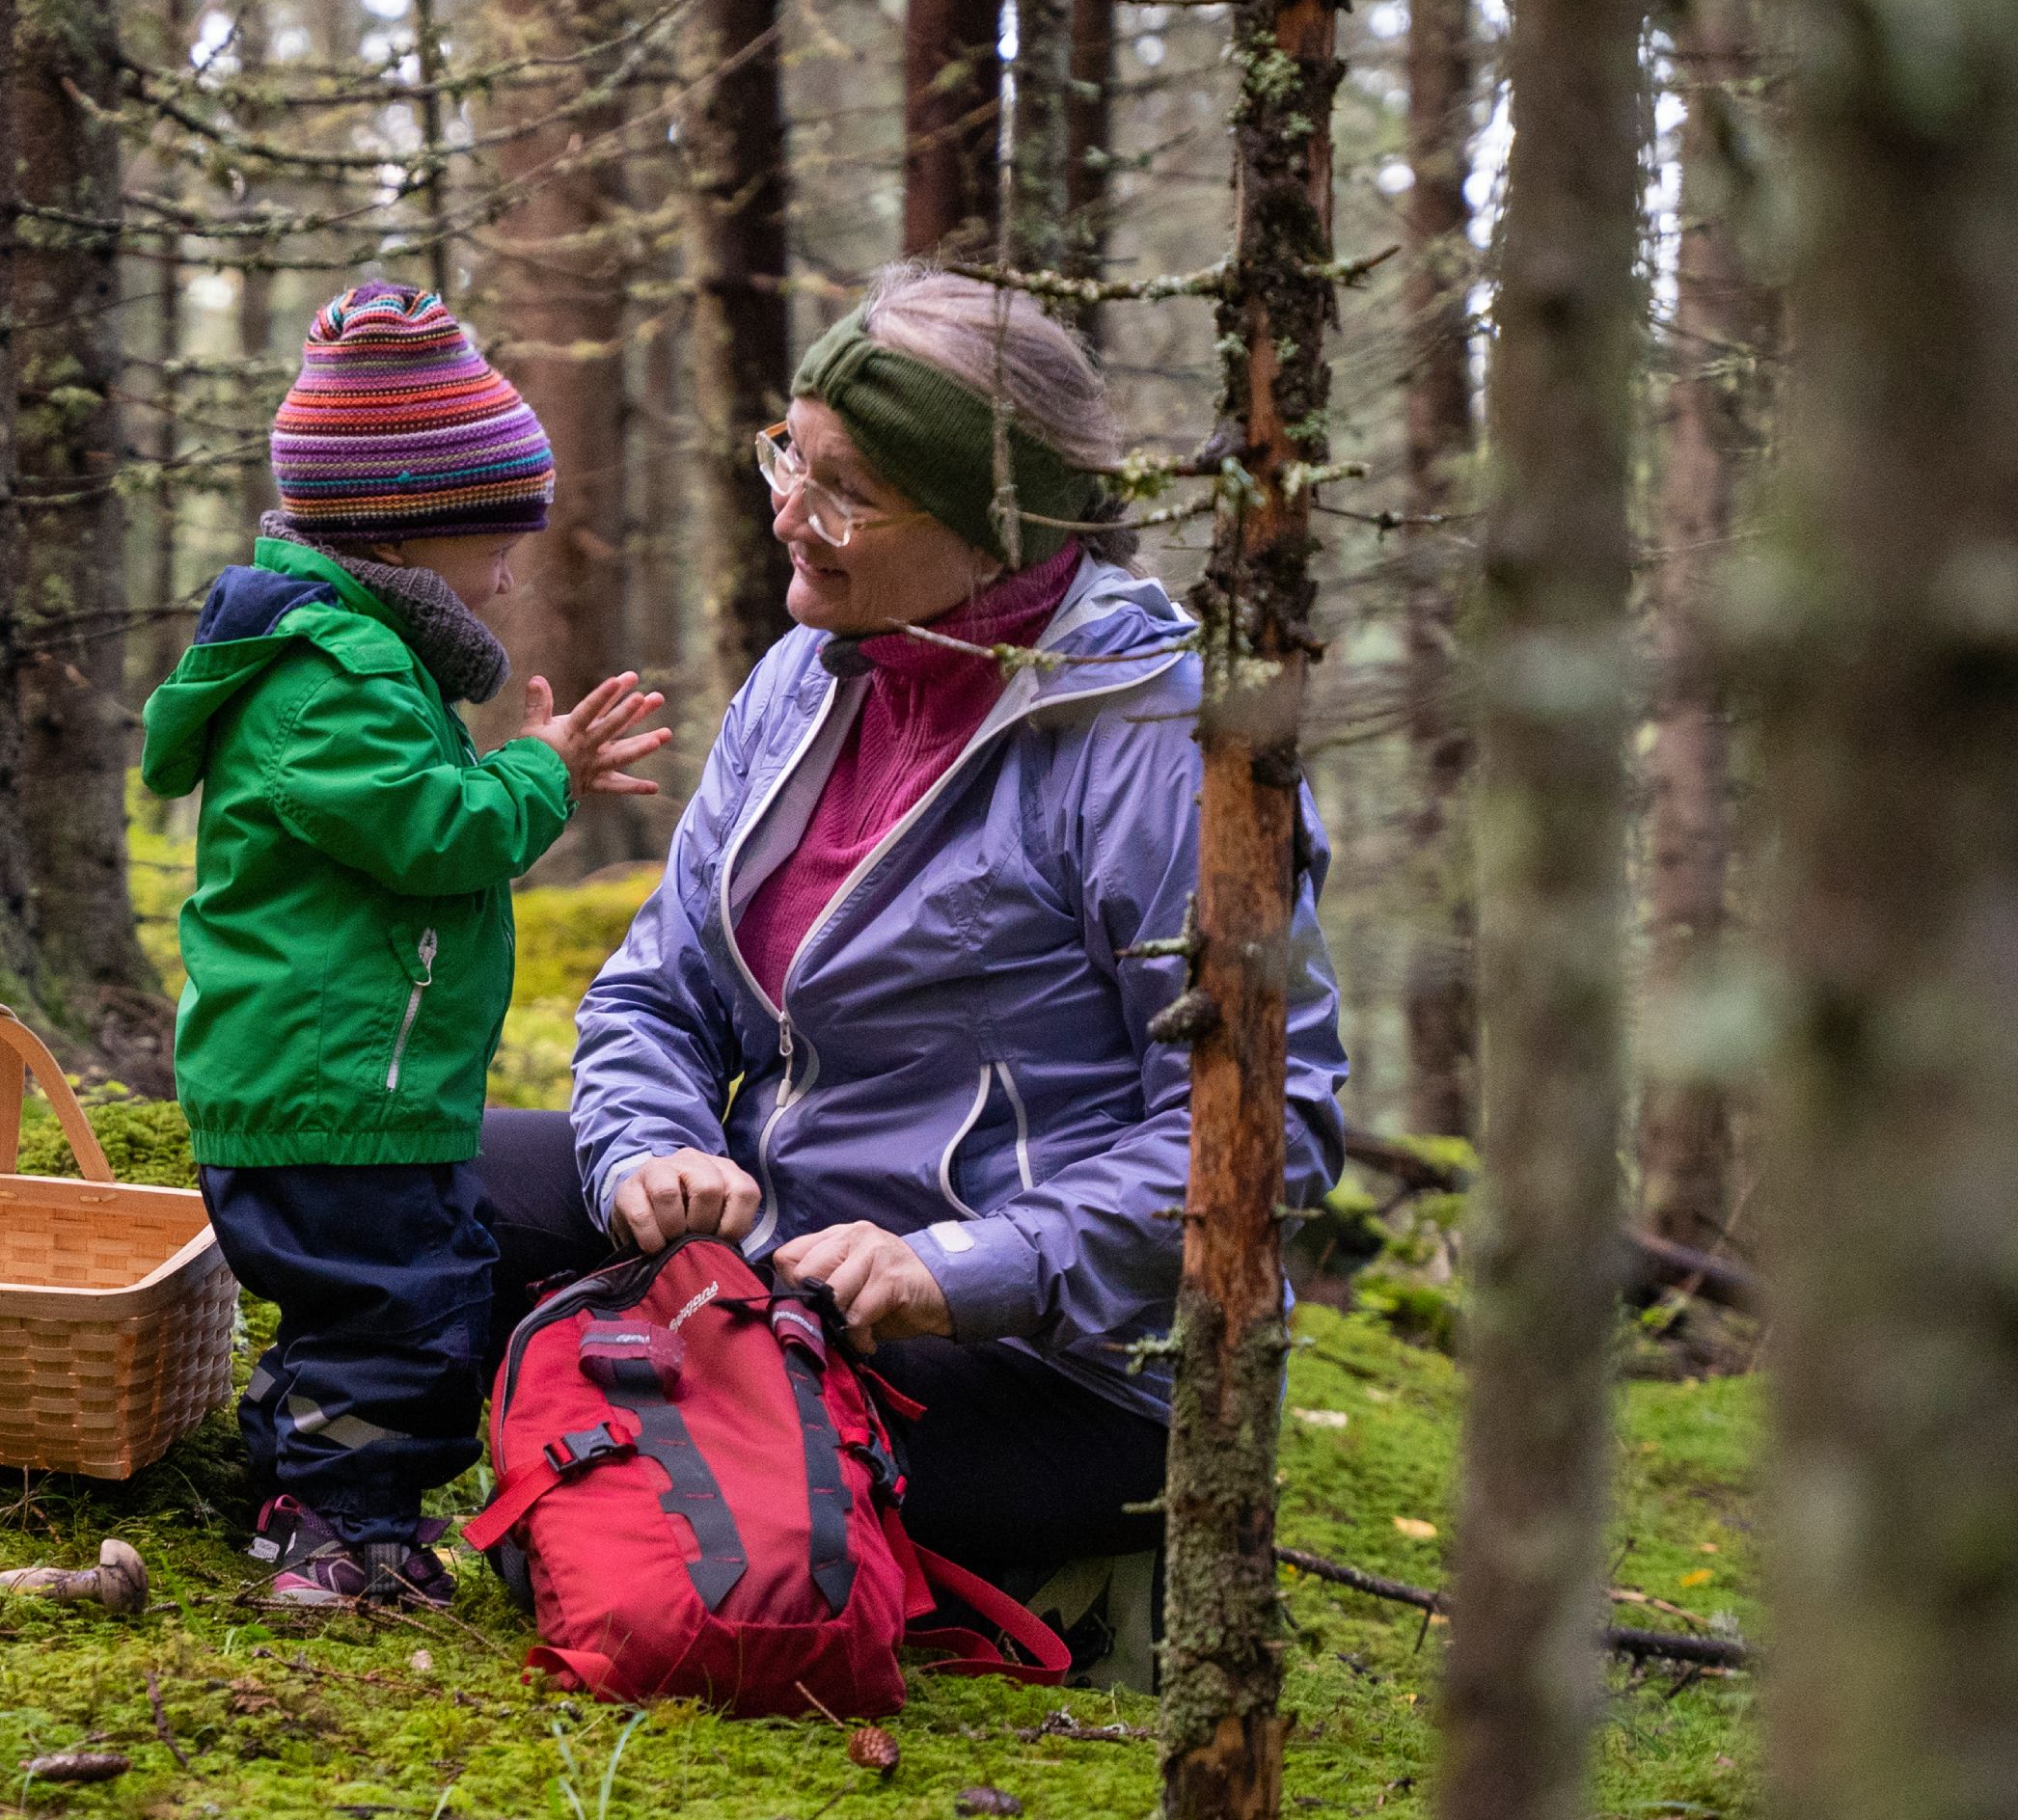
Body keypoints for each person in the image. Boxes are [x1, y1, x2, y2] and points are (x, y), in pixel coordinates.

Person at [479, 263, 1349, 1615]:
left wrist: (957, 1267)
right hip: (788, 1258)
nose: (788, 514)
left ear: (994, 530)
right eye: (790, 459)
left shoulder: (1166, 747)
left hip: (1069, 1364)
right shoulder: (814, 667)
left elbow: (1265, 1126)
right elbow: (658, 986)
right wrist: (649, 1147)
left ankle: (1014, 1560)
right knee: (414, 1187)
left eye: (847, 494)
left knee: (697, 1416)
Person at [140, 280, 670, 1608]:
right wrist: (538, 772)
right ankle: (339, 1535)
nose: (509, 571)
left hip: (339, 1085)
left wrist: (525, 768)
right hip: (338, 1093)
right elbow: (440, 835)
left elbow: (409, 827)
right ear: (403, 530)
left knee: (364, 1311)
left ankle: (295, 1501)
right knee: (402, 1321)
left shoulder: (350, 666)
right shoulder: (335, 677)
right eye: (494, 541)